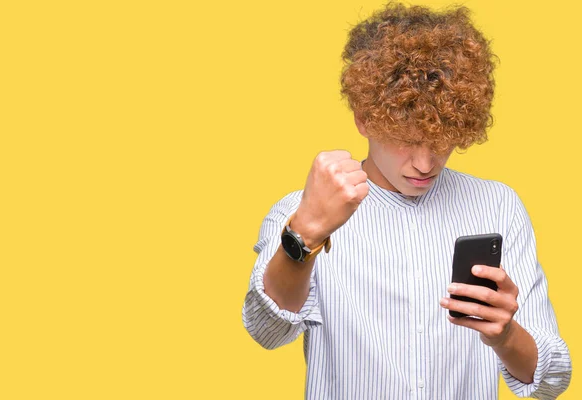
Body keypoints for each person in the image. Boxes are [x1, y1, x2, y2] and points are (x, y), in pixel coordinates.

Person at [242, 2, 572, 399]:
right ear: (365, 119)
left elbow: (552, 381)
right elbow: (266, 330)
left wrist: (504, 336)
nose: (425, 163)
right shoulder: (303, 210)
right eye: (407, 139)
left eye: (441, 139)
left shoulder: (499, 206)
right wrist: (305, 234)